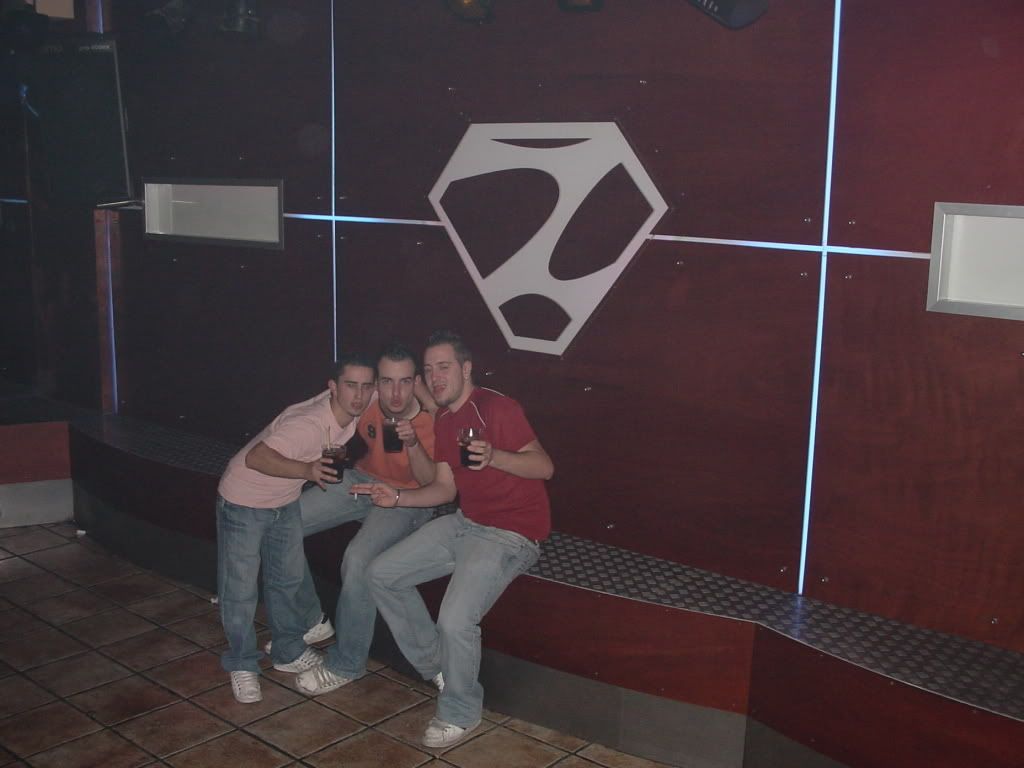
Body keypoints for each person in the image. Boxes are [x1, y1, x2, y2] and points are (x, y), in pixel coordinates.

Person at [352, 330, 554, 749]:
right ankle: (438, 666)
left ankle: (460, 710)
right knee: (380, 574)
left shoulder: (497, 408)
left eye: (443, 367)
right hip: (466, 522)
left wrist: (494, 455)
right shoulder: (445, 421)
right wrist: (397, 498)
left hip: (510, 534)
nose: (435, 377)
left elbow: (544, 467)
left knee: (455, 619)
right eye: (429, 370)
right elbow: (444, 489)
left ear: (466, 369)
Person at [215, 353, 376, 703]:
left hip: (284, 500)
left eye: (367, 386)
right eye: (351, 386)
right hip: (244, 501)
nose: (360, 395)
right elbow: (256, 457)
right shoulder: (309, 425)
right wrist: (307, 471)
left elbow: (400, 388)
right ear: (332, 388)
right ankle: (242, 663)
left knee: (286, 580)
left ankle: (287, 651)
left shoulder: (354, 402)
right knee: (240, 589)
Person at [292, 343, 440, 695]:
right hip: (362, 482)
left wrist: (413, 442)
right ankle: (312, 619)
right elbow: (329, 402)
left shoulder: (433, 420)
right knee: (282, 524)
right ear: (376, 383)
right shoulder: (369, 400)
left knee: (358, 559)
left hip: (408, 500)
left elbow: (430, 483)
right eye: (386, 382)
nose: (395, 393)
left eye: (405, 382)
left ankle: (347, 664)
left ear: (416, 382)